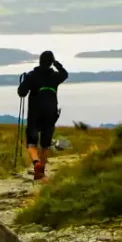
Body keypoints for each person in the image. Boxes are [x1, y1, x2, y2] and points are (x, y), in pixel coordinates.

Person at [17, 50, 69, 181]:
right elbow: (65, 74)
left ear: (39, 61)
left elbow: (21, 92)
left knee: (31, 143)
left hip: (35, 113)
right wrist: (57, 64)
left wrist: (25, 81)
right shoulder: (55, 76)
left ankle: (36, 163)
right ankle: (41, 172)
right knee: (45, 144)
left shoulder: (32, 75)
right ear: (51, 63)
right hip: (51, 113)